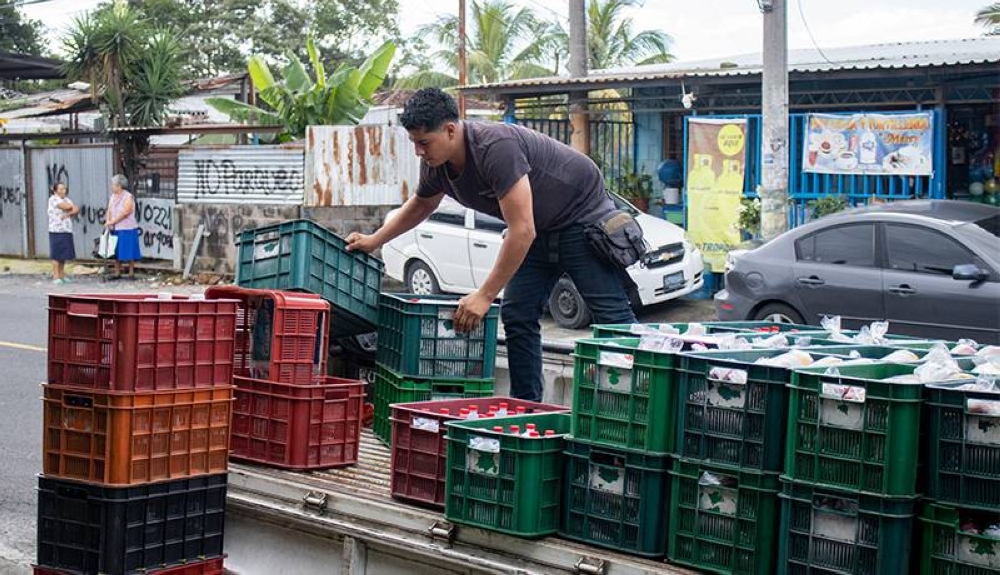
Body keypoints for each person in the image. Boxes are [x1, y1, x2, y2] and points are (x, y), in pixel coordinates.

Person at [346, 88, 636, 402]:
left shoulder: (496, 147)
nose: (418, 151)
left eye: (424, 142)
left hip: (580, 216)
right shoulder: (436, 162)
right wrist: (375, 239)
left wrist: (484, 295)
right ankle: (526, 406)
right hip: (539, 227)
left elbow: (521, 230)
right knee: (517, 315)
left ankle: (632, 409)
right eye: (414, 142)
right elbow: (421, 205)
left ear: (450, 130)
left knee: (614, 323)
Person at [104, 174, 142, 280]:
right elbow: (109, 209)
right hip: (115, 228)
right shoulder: (112, 197)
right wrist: (108, 221)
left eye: (113, 185)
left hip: (127, 228)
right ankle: (117, 272)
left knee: (129, 250)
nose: (112, 187)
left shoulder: (128, 197)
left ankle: (131, 273)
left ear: (119, 186)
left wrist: (113, 221)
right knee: (116, 251)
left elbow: (126, 212)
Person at [47, 182, 79, 284]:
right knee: (56, 254)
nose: (63, 191)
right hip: (56, 230)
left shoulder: (67, 199)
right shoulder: (53, 199)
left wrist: (68, 214)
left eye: (64, 189)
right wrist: (70, 209)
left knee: (63, 254)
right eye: (60, 189)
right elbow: (65, 206)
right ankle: (56, 276)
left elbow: (76, 209)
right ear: (55, 190)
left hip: (66, 229)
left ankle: (61, 275)